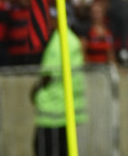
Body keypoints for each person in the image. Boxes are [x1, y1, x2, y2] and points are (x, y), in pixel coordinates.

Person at [31, 27, 86, 156]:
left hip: (53, 110)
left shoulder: (59, 41)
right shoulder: (73, 40)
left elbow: (49, 72)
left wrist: (35, 90)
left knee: (44, 149)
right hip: (67, 110)